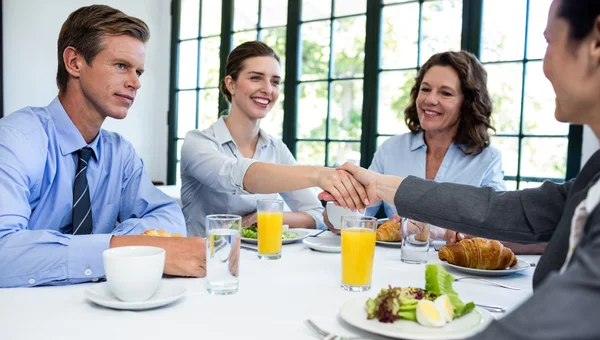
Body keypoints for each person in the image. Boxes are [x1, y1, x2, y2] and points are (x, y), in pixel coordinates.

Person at [321, 0, 600, 340]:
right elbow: (507, 210)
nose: (545, 65)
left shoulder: (489, 157)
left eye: (549, 42)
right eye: (425, 89)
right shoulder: (592, 175)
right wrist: (378, 186)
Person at [0, 5, 207, 288]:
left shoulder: (119, 153)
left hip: (105, 308)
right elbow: (4, 252)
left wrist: (125, 242)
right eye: (121, 66)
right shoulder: (15, 140)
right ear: (74, 63)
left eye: (139, 72)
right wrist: (118, 248)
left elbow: (168, 216)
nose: (135, 82)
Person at [181, 41, 366, 236]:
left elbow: (317, 215)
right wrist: (318, 174)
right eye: (256, 78)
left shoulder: (276, 148)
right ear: (231, 84)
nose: (268, 89)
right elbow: (236, 174)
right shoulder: (198, 143)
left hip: (265, 260)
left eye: (275, 82)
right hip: (209, 261)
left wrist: (267, 217)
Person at [324, 50, 505, 237]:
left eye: (445, 93)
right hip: (393, 264)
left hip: (450, 266)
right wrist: (339, 214)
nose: (430, 99)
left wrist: (439, 230)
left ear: (467, 103)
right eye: (425, 89)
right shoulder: (391, 149)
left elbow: (498, 228)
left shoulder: (488, 159)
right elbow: (360, 215)